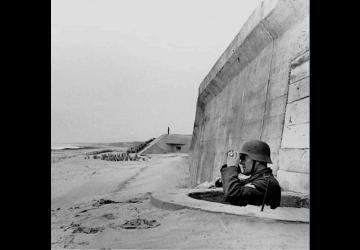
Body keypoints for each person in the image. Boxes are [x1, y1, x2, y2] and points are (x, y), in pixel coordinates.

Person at [220, 139, 281, 209]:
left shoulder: (267, 183)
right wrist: (231, 168)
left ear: (257, 160)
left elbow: (232, 194)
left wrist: (232, 168)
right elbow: (228, 185)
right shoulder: (257, 178)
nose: (241, 162)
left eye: (243, 158)